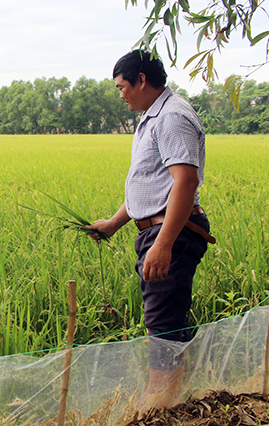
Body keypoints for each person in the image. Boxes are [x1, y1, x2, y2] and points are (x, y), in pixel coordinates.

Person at [87, 50, 215, 412]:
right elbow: (153, 184)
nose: (121, 94)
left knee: (162, 320)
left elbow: (185, 183)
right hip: (158, 229)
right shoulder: (151, 116)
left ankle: (157, 405)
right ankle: (176, 397)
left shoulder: (172, 117)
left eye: (122, 87)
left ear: (141, 80)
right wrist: (114, 223)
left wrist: (163, 244)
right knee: (169, 314)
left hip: (170, 232)